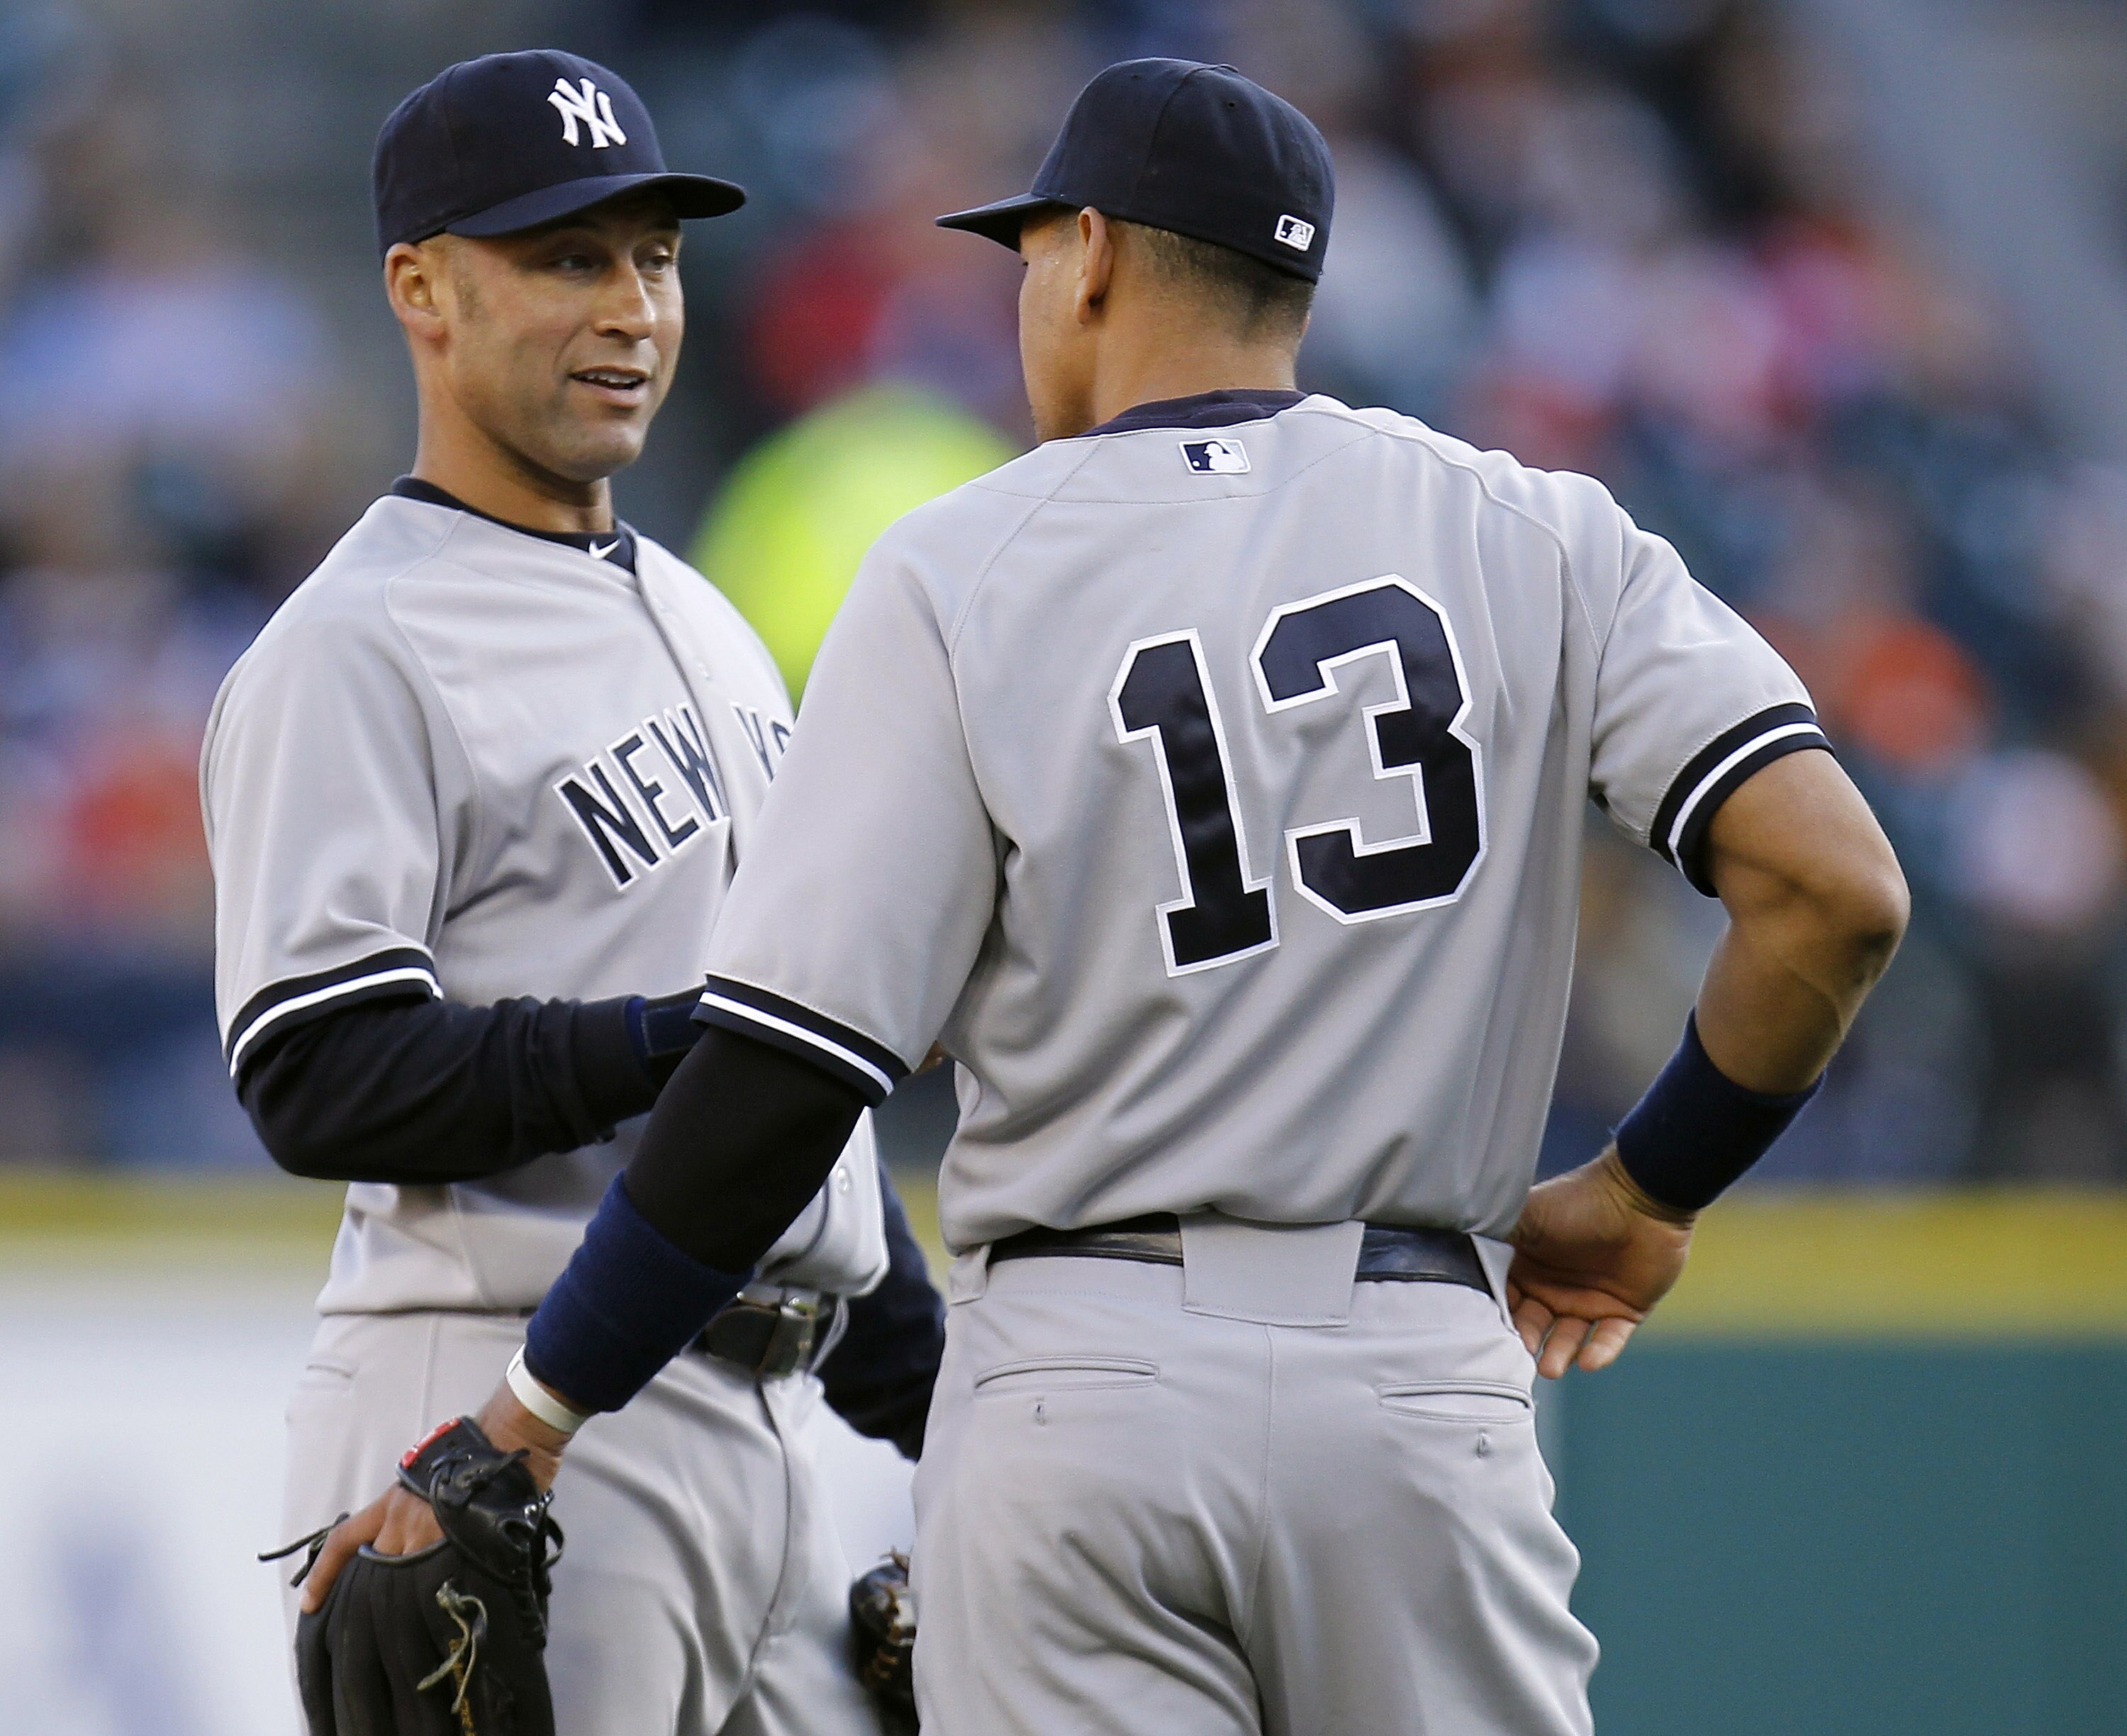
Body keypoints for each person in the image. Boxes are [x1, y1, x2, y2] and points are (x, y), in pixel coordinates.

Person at [303, 57, 1909, 1736]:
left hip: (1082, 1384)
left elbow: (788, 1073)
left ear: (1087, 256)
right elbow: (1832, 888)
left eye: (1025, 259)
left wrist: (534, 1410)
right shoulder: (1532, 527)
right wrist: (1652, 1188)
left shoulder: (961, 564)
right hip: (1419, 1371)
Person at [206, 49, 941, 1736]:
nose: (631, 308)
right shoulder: (352, 644)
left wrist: (948, 1409)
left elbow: (792, 1084)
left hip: (773, 1421)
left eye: (655, 259)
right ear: (422, 288)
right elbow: (317, 1068)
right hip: (488, 1403)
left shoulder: (709, 615)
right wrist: (673, 1042)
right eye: (565, 258)